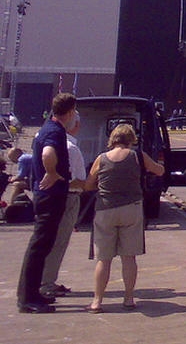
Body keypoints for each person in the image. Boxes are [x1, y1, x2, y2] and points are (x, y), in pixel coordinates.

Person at [83, 123, 165, 312]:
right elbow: (158, 170)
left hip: (105, 209)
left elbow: (88, 185)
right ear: (131, 140)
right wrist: (160, 165)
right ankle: (128, 298)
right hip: (131, 209)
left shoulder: (101, 159)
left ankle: (97, 301)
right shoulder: (137, 156)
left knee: (104, 259)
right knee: (129, 257)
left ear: (112, 139)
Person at [16, 93, 79, 312]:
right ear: (70, 112)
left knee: (42, 246)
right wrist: (51, 172)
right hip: (50, 196)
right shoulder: (54, 131)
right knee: (39, 246)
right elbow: (48, 153)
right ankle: (27, 299)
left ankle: (33, 293)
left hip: (46, 196)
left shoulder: (47, 127)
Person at [41, 111, 87, 299]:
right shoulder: (71, 148)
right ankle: (46, 283)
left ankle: (44, 280)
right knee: (59, 242)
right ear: (75, 125)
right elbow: (79, 181)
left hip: (46, 197)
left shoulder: (43, 139)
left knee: (46, 242)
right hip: (68, 198)